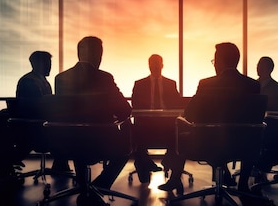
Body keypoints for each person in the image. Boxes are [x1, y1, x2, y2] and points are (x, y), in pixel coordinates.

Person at [158, 42, 260, 194]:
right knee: (250, 133)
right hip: (242, 145)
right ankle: (243, 184)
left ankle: (174, 178)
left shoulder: (207, 84)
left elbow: (190, 114)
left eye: (214, 61)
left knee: (178, 124)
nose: (214, 65)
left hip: (207, 144)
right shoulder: (252, 85)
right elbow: (254, 120)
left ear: (220, 61)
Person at [54, 36, 132, 190]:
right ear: (98, 55)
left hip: (66, 142)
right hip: (99, 142)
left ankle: (84, 187)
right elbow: (125, 110)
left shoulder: (60, 78)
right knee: (126, 146)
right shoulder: (104, 78)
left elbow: (65, 115)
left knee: (78, 135)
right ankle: (101, 185)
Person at [16, 51, 73, 176]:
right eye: (47, 63)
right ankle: (61, 165)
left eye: (50, 63)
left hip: (40, 123)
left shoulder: (39, 80)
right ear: (36, 64)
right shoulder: (30, 82)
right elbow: (36, 108)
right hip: (35, 126)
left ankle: (61, 164)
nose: (49, 66)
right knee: (66, 131)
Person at [131, 54, 183, 183]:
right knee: (133, 132)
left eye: (157, 64)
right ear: (149, 66)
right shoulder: (139, 84)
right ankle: (145, 162)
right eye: (152, 64)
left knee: (178, 133)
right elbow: (135, 105)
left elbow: (177, 104)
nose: (154, 67)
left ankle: (156, 161)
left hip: (166, 124)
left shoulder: (171, 84)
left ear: (162, 65)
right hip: (146, 124)